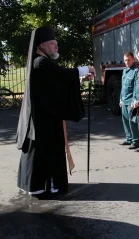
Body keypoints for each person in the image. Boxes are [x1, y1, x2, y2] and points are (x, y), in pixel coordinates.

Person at [16, 25, 96, 199]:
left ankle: (41, 184)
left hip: (47, 115)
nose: (56, 47)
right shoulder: (41, 62)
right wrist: (84, 70)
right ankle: (40, 185)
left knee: (45, 151)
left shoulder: (44, 61)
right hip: (43, 119)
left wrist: (80, 79)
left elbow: (58, 84)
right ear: (42, 45)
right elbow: (61, 75)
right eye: (53, 44)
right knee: (45, 151)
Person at [119, 52, 139, 149]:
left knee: (133, 122)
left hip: (130, 101)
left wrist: (133, 100)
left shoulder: (136, 71)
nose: (126, 62)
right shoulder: (125, 71)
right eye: (125, 60)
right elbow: (123, 87)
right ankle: (128, 138)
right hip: (124, 100)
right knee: (125, 121)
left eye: (128, 60)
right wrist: (120, 99)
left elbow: (136, 88)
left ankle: (136, 141)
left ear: (133, 59)